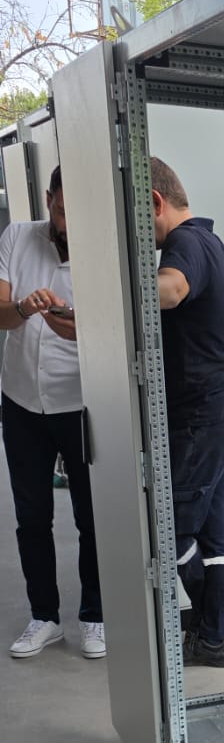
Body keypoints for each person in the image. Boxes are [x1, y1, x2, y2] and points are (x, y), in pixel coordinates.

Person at [0, 166, 105, 659]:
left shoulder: (104, 250)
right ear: (48, 199)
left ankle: (96, 616)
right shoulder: (17, 237)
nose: (67, 223)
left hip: (80, 402)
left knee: (92, 517)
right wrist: (24, 308)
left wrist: (76, 324)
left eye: (76, 212)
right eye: (61, 210)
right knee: (31, 517)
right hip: (20, 400)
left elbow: (118, 330)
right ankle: (44, 617)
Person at [151, 157, 224, 668]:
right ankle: (217, 638)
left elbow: (170, 290)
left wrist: (108, 287)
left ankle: (211, 628)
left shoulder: (184, 244)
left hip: (201, 419)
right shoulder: (213, 242)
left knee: (168, 527)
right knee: (212, 528)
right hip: (223, 408)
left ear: (155, 202)